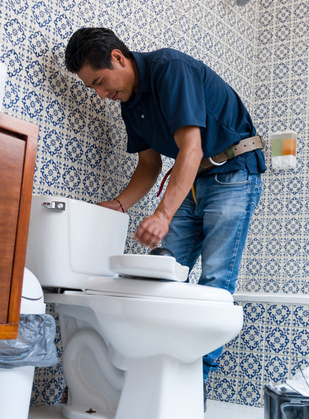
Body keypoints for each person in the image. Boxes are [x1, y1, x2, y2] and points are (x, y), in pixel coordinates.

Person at [64, 27, 265, 383]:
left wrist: (162, 214)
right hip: (191, 181)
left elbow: (192, 148)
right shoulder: (130, 103)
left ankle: (194, 383)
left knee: (216, 280)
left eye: (99, 81)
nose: (100, 93)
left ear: (117, 57)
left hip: (234, 172)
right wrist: (120, 204)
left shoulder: (170, 69)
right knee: (160, 276)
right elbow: (149, 165)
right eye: (92, 88)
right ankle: (155, 373)